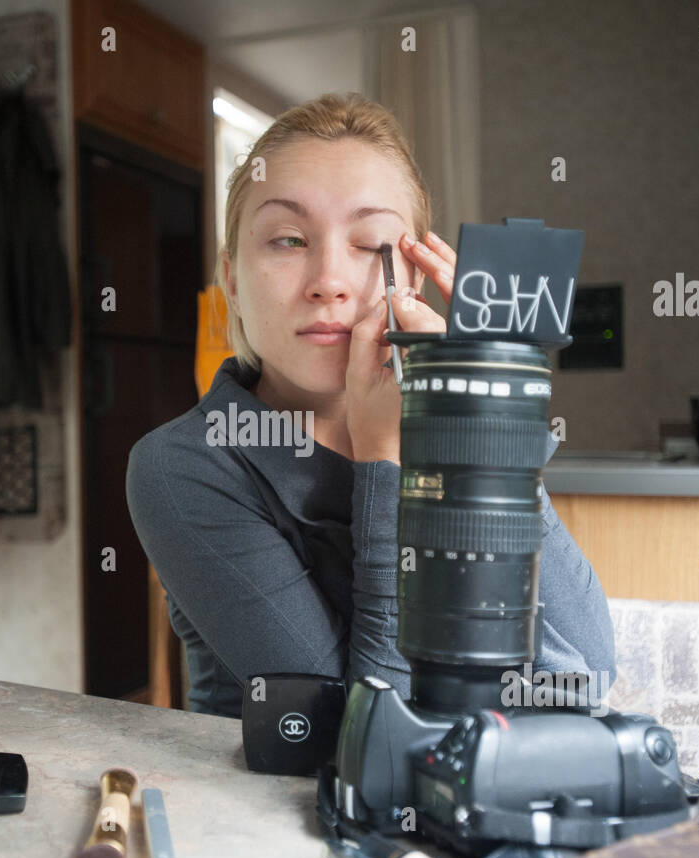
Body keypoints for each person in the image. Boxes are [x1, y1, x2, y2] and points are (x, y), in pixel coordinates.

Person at [126, 92, 615, 719]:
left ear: (413, 278)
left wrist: (483, 426)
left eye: (371, 245)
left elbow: (587, 675)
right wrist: (385, 463)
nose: (329, 279)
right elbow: (365, 732)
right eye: (287, 239)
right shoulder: (183, 467)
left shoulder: (447, 431)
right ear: (233, 282)